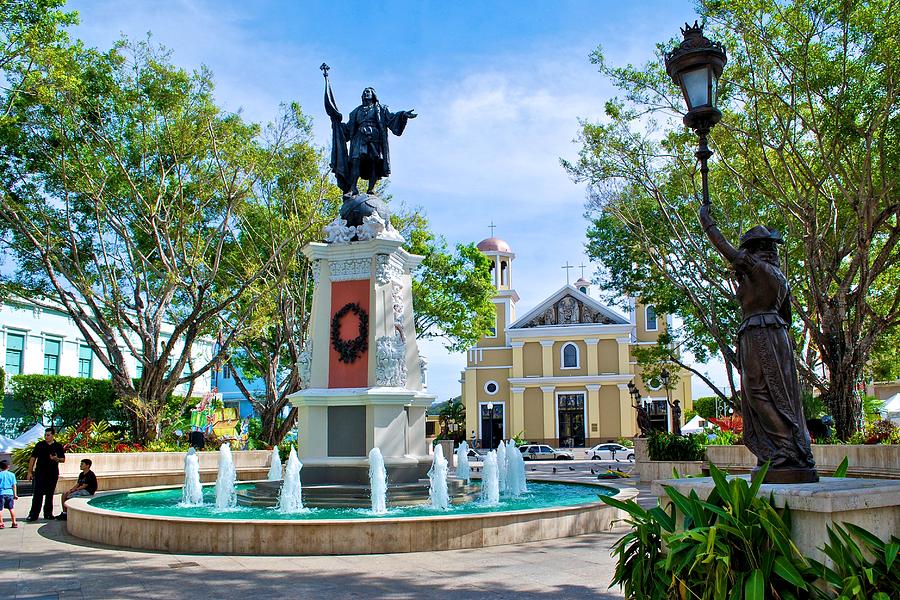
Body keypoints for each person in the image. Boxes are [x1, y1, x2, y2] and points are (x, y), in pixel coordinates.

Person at [699, 203, 817, 482]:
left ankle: (784, 449)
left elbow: (725, 249)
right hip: (777, 336)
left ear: (754, 249)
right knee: (779, 394)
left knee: (758, 392)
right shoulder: (778, 276)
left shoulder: (759, 268)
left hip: (758, 333)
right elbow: (786, 316)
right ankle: (788, 448)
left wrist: (707, 223)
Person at [323, 68, 417, 196]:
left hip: (374, 138)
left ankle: (371, 189)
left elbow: (391, 118)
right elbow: (349, 128)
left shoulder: (381, 109)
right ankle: (353, 188)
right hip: (359, 138)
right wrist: (337, 124)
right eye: (364, 92)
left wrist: (403, 115)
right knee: (355, 162)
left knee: (374, 163)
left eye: (368, 92)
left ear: (373, 95)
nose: (366, 93)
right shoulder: (356, 112)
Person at [25, 428, 66, 521]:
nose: (46, 437)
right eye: (45, 435)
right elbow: (33, 458)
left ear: (53, 435)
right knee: (37, 494)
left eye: (48, 435)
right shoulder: (40, 445)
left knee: (49, 494)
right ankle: (33, 515)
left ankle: (48, 514)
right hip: (40, 473)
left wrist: (56, 459)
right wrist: (29, 472)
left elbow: (63, 459)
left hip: (52, 474)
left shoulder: (58, 446)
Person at [0, 460, 18, 529]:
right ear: (8, 466)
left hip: (1, 493)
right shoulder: (12, 475)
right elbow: (14, 485)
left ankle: (1, 523)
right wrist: (15, 494)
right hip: (10, 493)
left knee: (0, 509)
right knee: (11, 508)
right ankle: (14, 522)